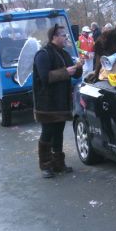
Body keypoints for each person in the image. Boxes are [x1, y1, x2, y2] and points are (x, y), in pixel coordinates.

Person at [33, 24, 83, 178]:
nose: (66, 37)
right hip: (47, 103)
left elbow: (75, 75)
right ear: (54, 37)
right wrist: (65, 72)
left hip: (61, 102)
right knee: (47, 133)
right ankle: (45, 165)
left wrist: (79, 66)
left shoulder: (64, 54)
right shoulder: (43, 54)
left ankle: (59, 164)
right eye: (63, 35)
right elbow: (45, 77)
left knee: (59, 132)